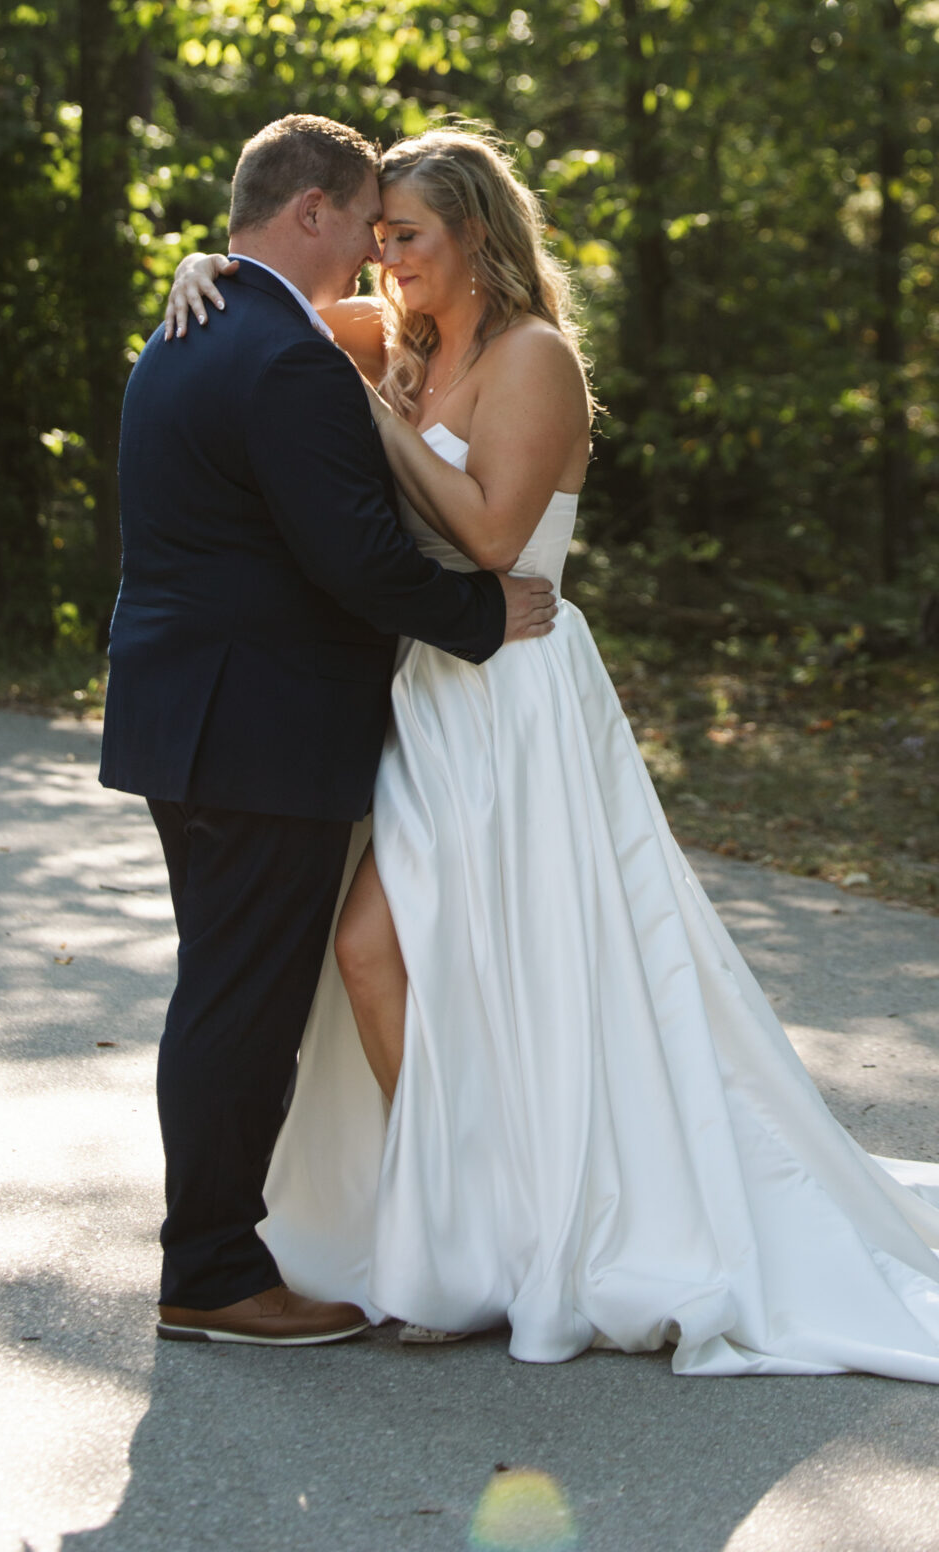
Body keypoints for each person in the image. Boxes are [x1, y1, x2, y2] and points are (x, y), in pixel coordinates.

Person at [162, 127, 939, 1403]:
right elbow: (277, 319)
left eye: (408, 236)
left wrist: (376, 426)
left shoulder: (532, 358)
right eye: (377, 233)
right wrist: (198, 267)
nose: (383, 259)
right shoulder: (400, 342)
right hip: (429, 698)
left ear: (479, 239)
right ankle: (473, 1224)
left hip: (518, 689)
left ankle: (523, 1230)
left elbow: (498, 533)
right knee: (400, 956)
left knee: (445, 953)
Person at [101, 113, 556, 1349]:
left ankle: (222, 1249)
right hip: (259, 730)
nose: (374, 253)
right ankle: (209, 1267)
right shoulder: (284, 355)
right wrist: (481, 612)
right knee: (240, 1003)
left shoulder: (188, 330)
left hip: (181, 718)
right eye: (365, 224)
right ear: (311, 212)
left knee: (225, 990)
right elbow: (357, 557)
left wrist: (207, 263)